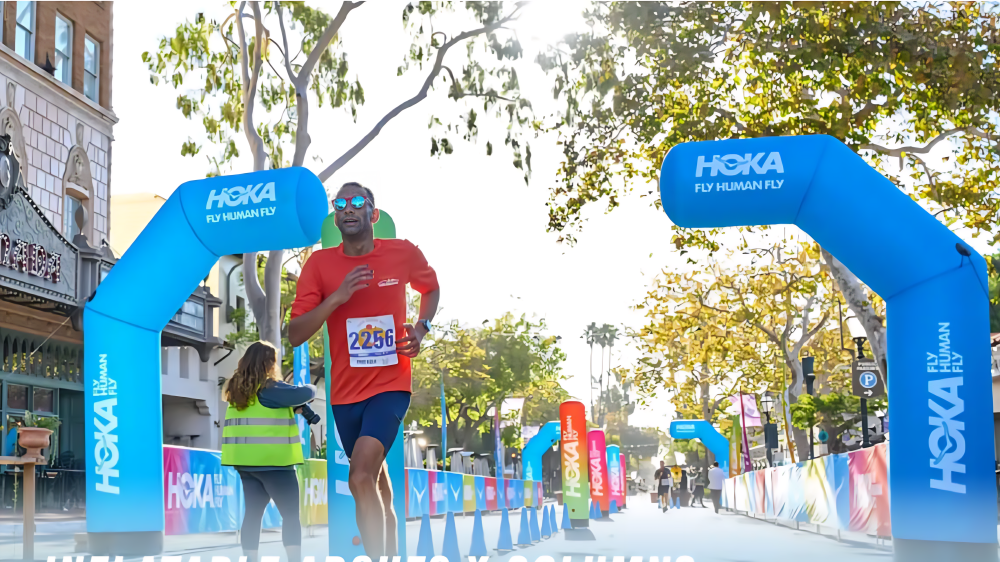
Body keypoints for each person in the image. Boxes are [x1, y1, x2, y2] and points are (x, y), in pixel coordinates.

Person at [289, 182, 440, 559]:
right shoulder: (319, 265)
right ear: (335, 218)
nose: (348, 208)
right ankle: (390, 553)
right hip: (345, 394)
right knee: (375, 481)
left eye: (358, 201)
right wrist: (337, 297)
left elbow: (431, 288)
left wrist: (422, 328)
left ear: (373, 213)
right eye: (340, 203)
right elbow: (295, 333)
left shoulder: (402, 252)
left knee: (359, 477)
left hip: (390, 385)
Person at [221, 341, 319, 562]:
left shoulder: (236, 389)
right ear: (268, 363)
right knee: (291, 515)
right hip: (275, 464)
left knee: (253, 515)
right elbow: (305, 392)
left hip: (246, 464)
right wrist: (309, 389)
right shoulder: (270, 389)